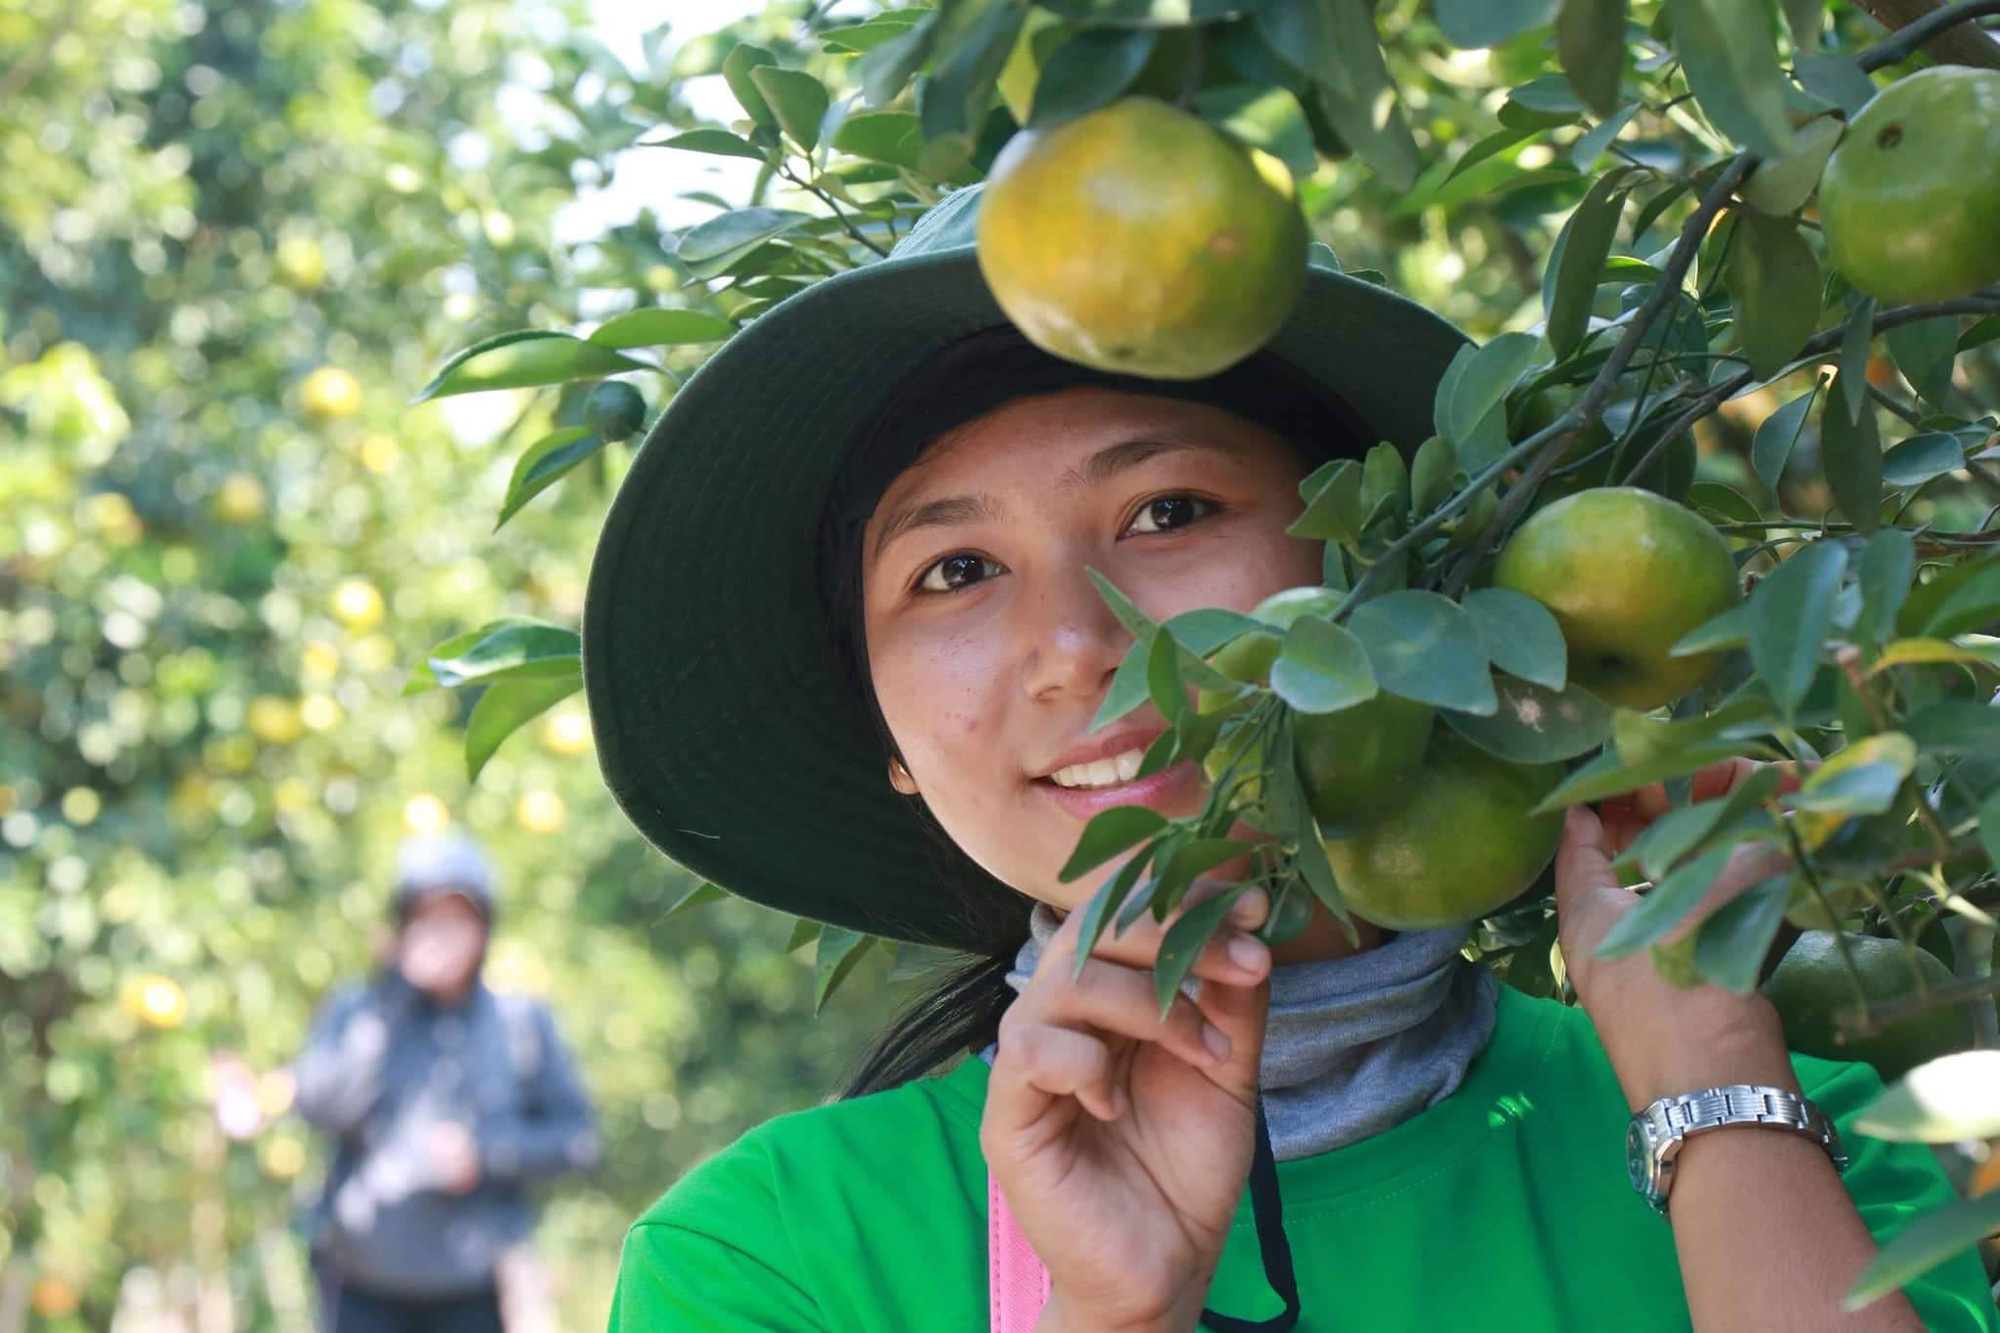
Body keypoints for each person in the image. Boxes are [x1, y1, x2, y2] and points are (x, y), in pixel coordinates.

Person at [584, 184, 1998, 1330]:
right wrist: (1113, 1313)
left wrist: (1708, 1087)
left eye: (1169, 508)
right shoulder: (775, 1261)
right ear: (885, 736)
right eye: (953, 570)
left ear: (1384, 584)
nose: (1075, 644)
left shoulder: (1824, 1155)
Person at [293, 831, 600, 1333]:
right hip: (363, 1284)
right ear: (402, 927)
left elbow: (579, 1139)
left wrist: (488, 1153)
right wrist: (392, 999)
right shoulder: (359, 1010)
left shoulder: (519, 1022)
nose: (442, 936)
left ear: (484, 928)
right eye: (426, 919)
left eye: (458, 919)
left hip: (472, 1288)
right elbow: (318, 1106)